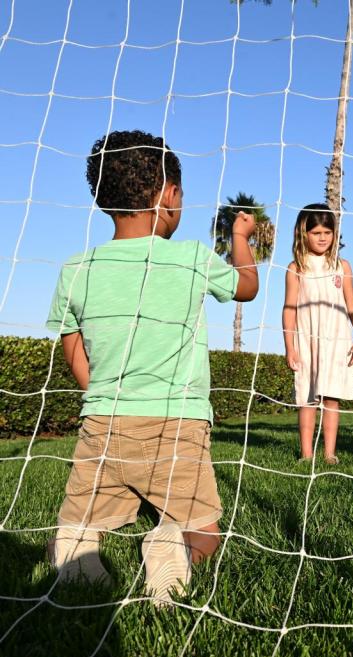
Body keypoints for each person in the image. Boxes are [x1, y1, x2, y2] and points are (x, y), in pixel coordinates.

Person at [45, 130, 259, 605]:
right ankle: (168, 544)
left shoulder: (75, 268)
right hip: (176, 424)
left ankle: (75, 548)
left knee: (80, 523)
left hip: (102, 421)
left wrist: (102, 393)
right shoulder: (191, 258)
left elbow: (74, 348)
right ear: (170, 195)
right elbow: (246, 287)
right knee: (204, 534)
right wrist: (239, 239)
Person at [282, 203, 353, 464]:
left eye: (327, 232)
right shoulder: (296, 267)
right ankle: (306, 455)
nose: (322, 237)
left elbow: (352, 303)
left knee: (331, 397)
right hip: (306, 338)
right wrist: (290, 346)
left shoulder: (343, 266)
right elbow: (289, 309)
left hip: (336, 338)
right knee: (307, 397)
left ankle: (330, 453)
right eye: (316, 232)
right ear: (303, 234)